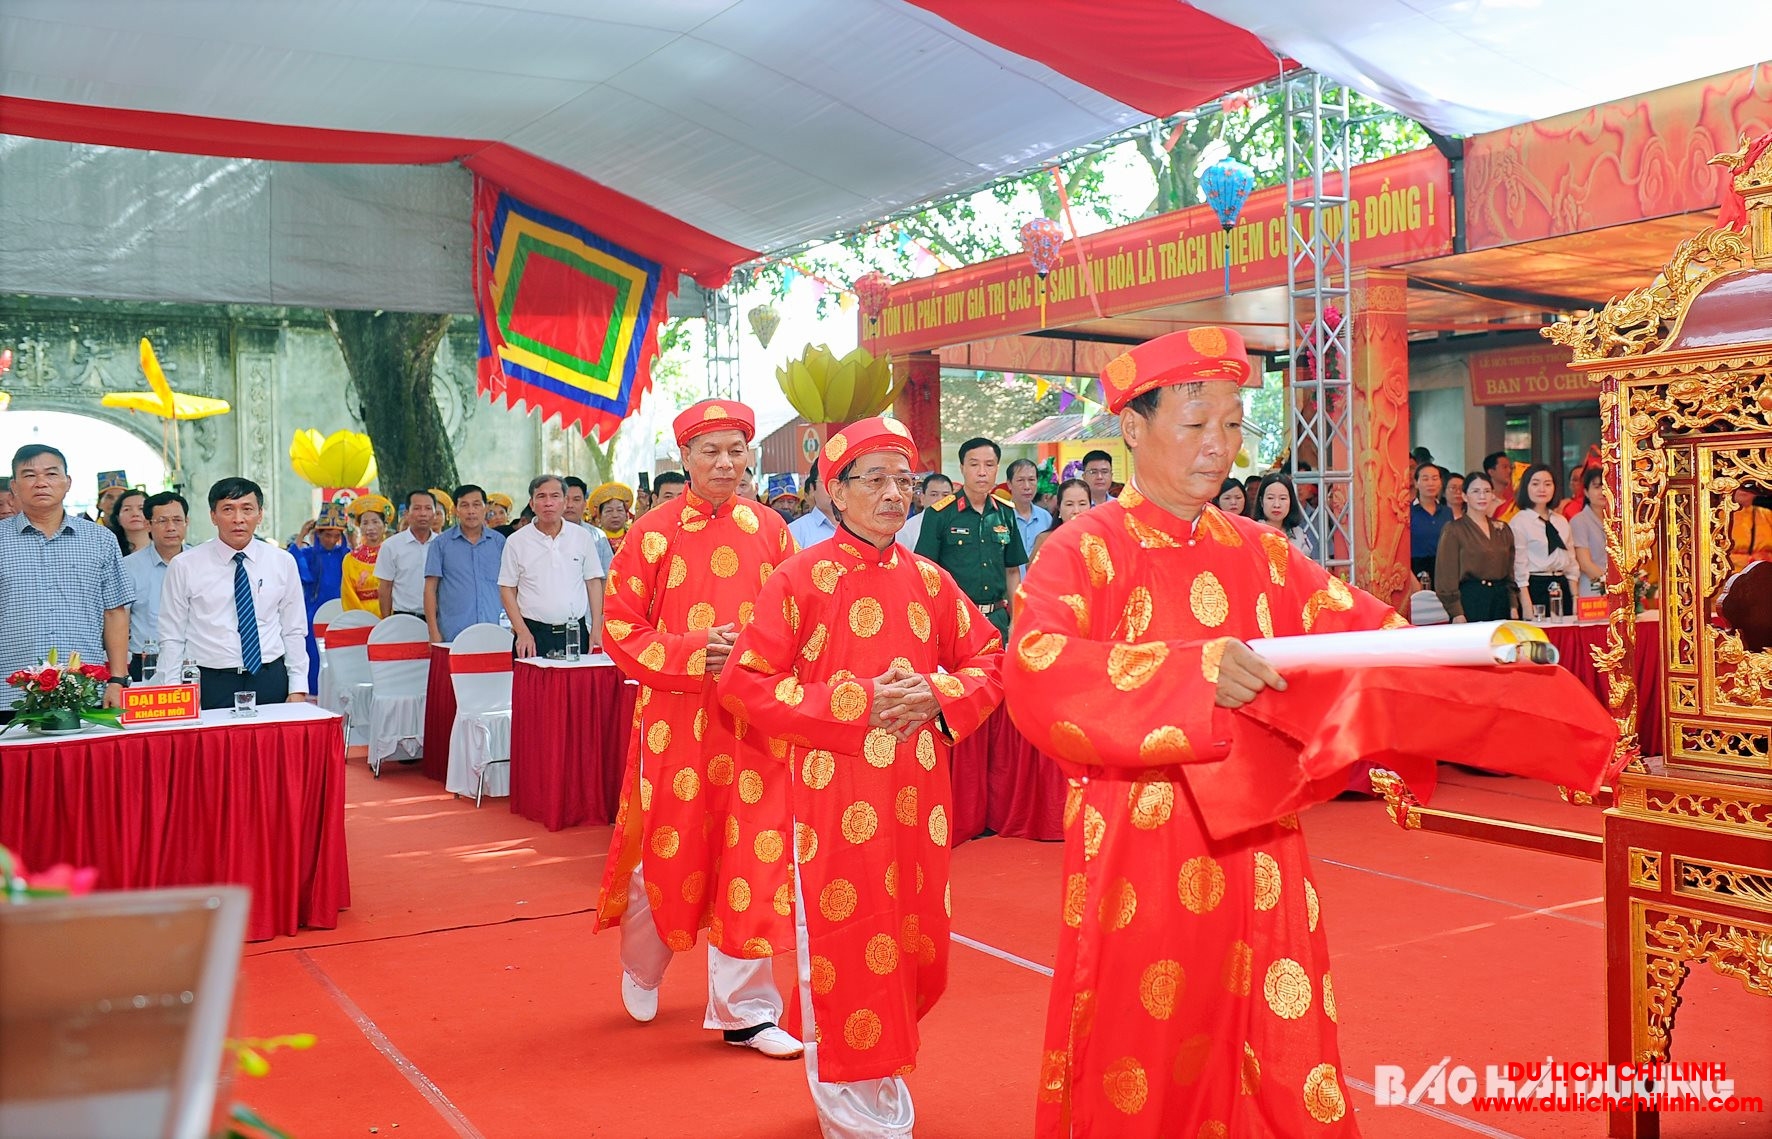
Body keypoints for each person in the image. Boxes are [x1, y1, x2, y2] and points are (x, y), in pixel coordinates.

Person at [1002, 326, 1407, 1138]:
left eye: (1232, 424)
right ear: (1133, 427)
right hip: (1138, 853)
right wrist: (1189, 675)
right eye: (1195, 423)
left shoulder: (1263, 551)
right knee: (1141, 1047)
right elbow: (1037, 671)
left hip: (1263, 849)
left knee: (1281, 1042)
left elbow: (1361, 634)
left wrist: (1478, 662)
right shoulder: (1083, 550)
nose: (1219, 447)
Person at [719, 416, 1005, 1139]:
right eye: (873, 479)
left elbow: (993, 660)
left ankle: (877, 1082)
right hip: (833, 797)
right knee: (844, 946)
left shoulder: (930, 580)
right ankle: (852, 1111)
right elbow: (745, 684)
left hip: (920, 800)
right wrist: (855, 702)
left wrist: (940, 694)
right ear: (834, 490)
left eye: (904, 480)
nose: (893, 494)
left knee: (916, 946)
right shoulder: (798, 577)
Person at [594, 399, 803, 1059]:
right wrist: (691, 650)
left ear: (750, 456)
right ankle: (643, 961)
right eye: (709, 451)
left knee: (757, 854)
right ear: (685, 458)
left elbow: (801, 620)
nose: (724, 463)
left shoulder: (773, 530)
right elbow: (620, 630)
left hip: (756, 724)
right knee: (671, 849)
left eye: (735, 450)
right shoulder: (652, 532)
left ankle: (747, 1011)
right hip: (677, 723)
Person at [0, 445, 132, 715]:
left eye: (50, 474)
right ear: (14, 486)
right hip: (10, 692)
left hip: (86, 689)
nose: (40, 483)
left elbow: (115, 612)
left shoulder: (100, 540)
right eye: (28, 475)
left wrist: (117, 679)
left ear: (67, 482)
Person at [156, 478, 309, 710]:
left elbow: (294, 629)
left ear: (260, 514)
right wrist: (173, 690)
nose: (238, 519)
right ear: (213, 516)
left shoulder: (283, 561)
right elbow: (171, 634)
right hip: (210, 681)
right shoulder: (185, 565)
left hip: (269, 677)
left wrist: (297, 687)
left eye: (247, 509)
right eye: (228, 509)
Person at [915, 437, 1027, 641]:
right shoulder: (940, 514)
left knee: (996, 673)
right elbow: (925, 574)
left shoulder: (1005, 513)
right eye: (974, 464)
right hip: (955, 619)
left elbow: (1012, 571)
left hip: (997, 619)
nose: (982, 471)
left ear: (997, 468)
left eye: (989, 465)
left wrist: (1016, 621)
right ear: (962, 468)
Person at [498, 475, 604, 658]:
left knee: (575, 686)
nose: (548, 503)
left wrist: (596, 627)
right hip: (533, 633)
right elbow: (507, 588)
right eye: (541, 497)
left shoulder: (582, 537)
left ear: (564, 502)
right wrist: (521, 631)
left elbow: (593, 582)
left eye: (555, 496)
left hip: (575, 631)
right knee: (534, 686)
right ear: (532, 504)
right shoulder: (516, 541)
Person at [1434, 472, 1521, 623]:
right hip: (1471, 600)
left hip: (1501, 598)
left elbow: (1510, 571)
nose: (1482, 496)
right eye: (1476, 491)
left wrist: (1513, 604)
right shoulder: (1454, 529)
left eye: (1487, 491)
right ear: (1465, 496)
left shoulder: (1502, 528)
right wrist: (1456, 612)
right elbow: (1446, 575)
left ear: (1493, 495)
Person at [121, 491, 190, 681]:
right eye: (162, 521)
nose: (171, 527)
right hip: (147, 662)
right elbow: (119, 620)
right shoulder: (128, 567)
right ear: (148, 524)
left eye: (177, 520)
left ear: (187, 522)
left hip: (193, 661)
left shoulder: (201, 563)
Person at [424, 484, 507, 643]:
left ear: (485, 508)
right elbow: (430, 589)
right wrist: (433, 632)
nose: (471, 511)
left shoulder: (499, 542)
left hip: (494, 629)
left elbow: (509, 587)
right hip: (454, 632)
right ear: (455, 510)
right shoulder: (440, 544)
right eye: (464, 505)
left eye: (476, 505)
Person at [292, 501, 350, 690]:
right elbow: (295, 567)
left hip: (341, 612)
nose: (332, 540)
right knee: (314, 653)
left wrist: (351, 538)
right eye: (327, 535)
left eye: (336, 535)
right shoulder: (308, 554)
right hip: (314, 611)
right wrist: (301, 535)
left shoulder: (345, 555)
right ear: (318, 534)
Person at [1510, 463, 1578, 618]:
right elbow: (1518, 567)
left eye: (1547, 484)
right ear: (1526, 487)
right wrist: (1526, 604)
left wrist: (1575, 598)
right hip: (1535, 586)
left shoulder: (1561, 521)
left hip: (1562, 585)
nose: (1542, 489)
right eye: (1535, 484)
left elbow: (1572, 563)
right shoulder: (1519, 521)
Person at [375, 490, 439, 619]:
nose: (423, 513)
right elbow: (385, 589)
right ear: (406, 514)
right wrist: (387, 622)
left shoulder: (443, 544)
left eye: (428, 508)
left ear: (434, 514)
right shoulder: (391, 546)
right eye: (417, 508)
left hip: (438, 617)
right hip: (404, 617)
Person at [1569, 468, 1612, 599]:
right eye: (1597, 487)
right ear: (1586, 492)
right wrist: (1610, 584)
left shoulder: (1618, 520)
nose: (1602, 492)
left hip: (1617, 588)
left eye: (1606, 486)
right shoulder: (1579, 521)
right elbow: (1584, 563)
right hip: (1592, 589)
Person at [341, 496, 389, 611]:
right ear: (360, 527)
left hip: (391, 616)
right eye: (365, 523)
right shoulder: (350, 559)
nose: (370, 527)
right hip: (361, 619)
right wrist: (361, 619)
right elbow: (348, 595)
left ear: (385, 526)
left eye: (375, 522)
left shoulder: (392, 554)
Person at [563, 475, 617, 579]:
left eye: (576, 499)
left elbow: (608, 577)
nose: (570, 505)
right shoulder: (547, 534)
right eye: (566, 499)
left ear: (584, 504)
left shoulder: (597, 536)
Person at [1257, 472, 1317, 559]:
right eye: (1270, 498)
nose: (1276, 505)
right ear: (1261, 501)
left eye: (1283, 498)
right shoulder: (1252, 533)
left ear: (1290, 501)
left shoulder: (1299, 534)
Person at [1029, 478, 1091, 562]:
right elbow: (1033, 572)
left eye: (1082, 504)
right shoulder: (1045, 540)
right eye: (1069, 504)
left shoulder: (1100, 539)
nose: (1076, 511)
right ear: (1059, 507)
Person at [1407, 461, 1449, 579]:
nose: (1431, 483)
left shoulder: (1447, 512)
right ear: (1416, 483)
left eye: (1435, 478)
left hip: (1444, 570)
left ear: (1441, 483)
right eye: (1425, 479)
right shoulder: (1407, 512)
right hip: (1416, 571)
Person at [1005, 457, 1052, 560]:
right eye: (1020, 480)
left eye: (1031, 480)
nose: (1027, 486)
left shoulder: (1046, 517)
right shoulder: (1001, 516)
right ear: (1009, 484)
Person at [789, 458, 839, 549]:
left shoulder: (863, 528)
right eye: (827, 481)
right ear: (812, 489)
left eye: (840, 482)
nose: (834, 489)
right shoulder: (795, 531)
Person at [894, 472, 951, 550]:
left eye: (945, 495)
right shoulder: (907, 529)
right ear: (922, 498)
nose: (940, 500)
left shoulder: (960, 522)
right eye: (934, 495)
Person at [1727, 484, 1772, 572]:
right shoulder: (1716, 515)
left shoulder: (1767, 515)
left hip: (1764, 575)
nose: (1745, 490)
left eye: (1750, 486)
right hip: (1728, 577)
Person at [589, 482, 634, 554]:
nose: (615, 515)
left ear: (626, 515)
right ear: (599, 517)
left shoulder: (634, 539)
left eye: (619, 510)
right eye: (609, 511)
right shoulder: (594, 542)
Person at [106, 488, 151, 556]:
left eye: (141, 508)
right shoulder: (109, 551)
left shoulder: (163, 547)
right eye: (127, 509)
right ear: (118, 518)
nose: (135, 514)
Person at [1483, 451, 1518, 522]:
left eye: (1510, 467)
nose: (1509, 471)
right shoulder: (1484, 499)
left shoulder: (1516, 498)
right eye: (1504, 467)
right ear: (1491, 472)